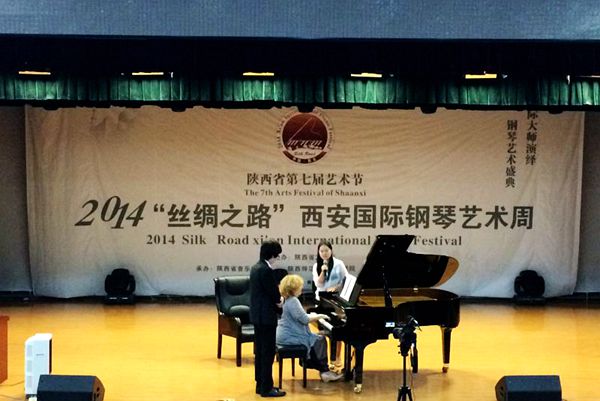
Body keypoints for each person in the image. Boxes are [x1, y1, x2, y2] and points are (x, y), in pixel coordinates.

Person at [276, 274, 344, 383]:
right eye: (300, 287)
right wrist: (320, 316)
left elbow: (300, 316)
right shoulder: (293, 301)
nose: (301, 289)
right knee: (320, 339)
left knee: (320, 336)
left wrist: (316, 315)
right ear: (294, 288)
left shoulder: (287, 299)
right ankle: (324, 372)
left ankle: (322, 369)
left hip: (284, 334)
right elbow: (304, 319)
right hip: (289, 336)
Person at [250, 239, 286, 398]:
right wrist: (281, 301)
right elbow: (274, 294)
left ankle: (260, 384)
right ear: (272, 255)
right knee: (268, 352)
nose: (277, 259)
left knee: (260, 352)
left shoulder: (255, 267)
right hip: (266, 317)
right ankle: (266, 388)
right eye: (277, 256)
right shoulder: (266, 270)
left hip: (257, 316)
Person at [312, 240, 348, 372]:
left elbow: (346, 280)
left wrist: (337, 287)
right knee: (326, 332)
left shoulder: (339, 264)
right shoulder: (317, 266)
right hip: (321, 302)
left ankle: (337, 358)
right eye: (321, 251)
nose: (324, 253)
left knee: (338, 331)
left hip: (335, 301)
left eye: (326, 250)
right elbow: (318, 284)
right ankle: (326, 360)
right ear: (318, 252)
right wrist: (323, 271)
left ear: (331, 251)